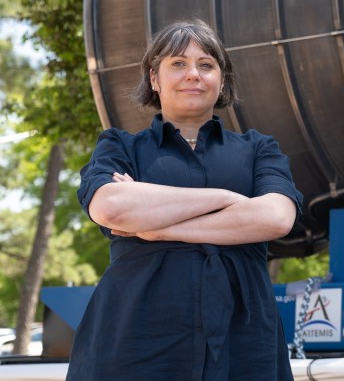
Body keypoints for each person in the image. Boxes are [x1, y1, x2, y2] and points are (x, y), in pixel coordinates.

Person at [68, 19, 302, 380]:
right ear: (154, 79)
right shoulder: (119, 146)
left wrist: (158, 228)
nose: (193, 74)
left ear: (221, 81)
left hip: (243, 341)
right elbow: (111, 207)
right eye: (177, 63)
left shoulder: (259, 149)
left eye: (206, 65)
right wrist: (227, 198)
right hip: (135, 340)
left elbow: (275, 218)